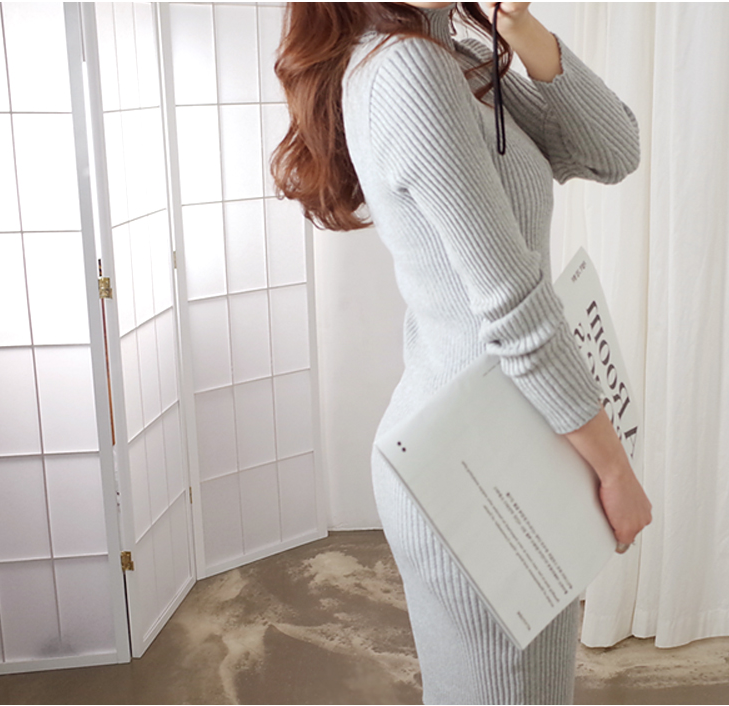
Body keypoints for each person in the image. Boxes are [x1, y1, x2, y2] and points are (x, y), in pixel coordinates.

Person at [272, 3, 651, 702]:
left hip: (501, 437)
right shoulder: (409, 69)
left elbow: (613, 150)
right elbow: (514, 305)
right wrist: (614, 468)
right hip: (475, 465)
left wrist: (518, 27)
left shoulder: (453, 52)